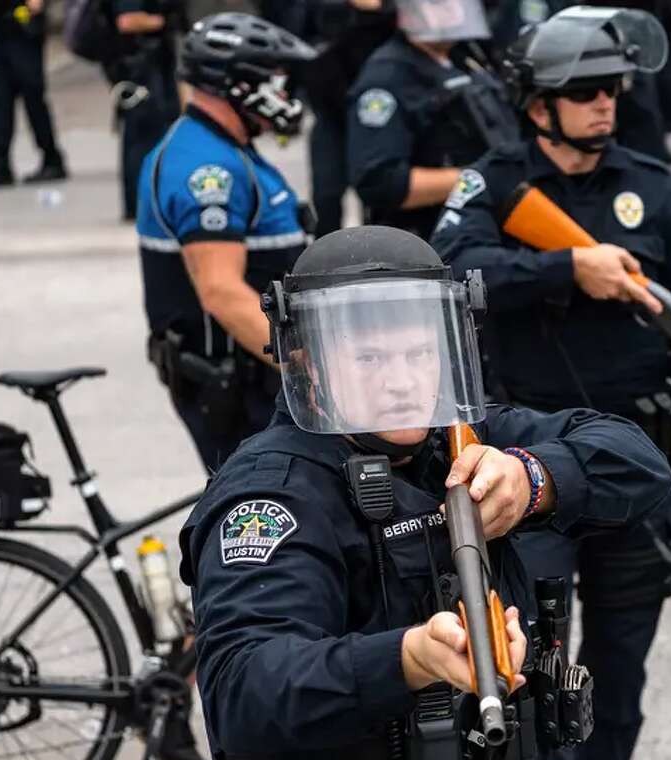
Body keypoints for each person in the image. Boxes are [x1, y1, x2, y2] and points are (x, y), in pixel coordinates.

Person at [179, 224, 671, 760]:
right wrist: (408, 657)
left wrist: (532, 478)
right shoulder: (273, 496)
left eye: (421, 353)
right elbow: (243, 688)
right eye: (369, 357)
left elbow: (639, 462)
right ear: (309, 364)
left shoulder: (461, 436)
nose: (401, 381)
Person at [431, 8, 671, 760]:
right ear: (538, 105)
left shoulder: (655, 188)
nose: (604, 104)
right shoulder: (494, 184)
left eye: (612, 89)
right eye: (583, 90)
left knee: (618, 679)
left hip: (637, 465)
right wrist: (565, 269)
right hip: (528, 473)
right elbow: (451, 276)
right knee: (537, 678)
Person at [137, 12, 314, 474]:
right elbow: (221, 291)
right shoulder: (206, 169)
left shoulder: (226, 147)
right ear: (239, 86)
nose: (286, 93)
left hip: (251, 377)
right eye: (277, 80)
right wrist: (312, 370)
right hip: (237, 388)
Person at [346, 0, 519, 240]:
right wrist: (480, 179)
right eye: (440, 3)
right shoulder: (388, 76)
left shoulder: (466, 57)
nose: (454, 9)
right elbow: (379, 182)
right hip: (429, 238)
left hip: (489, 227)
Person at [265, 0, 395, 236]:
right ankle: (324, 260)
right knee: (326, 195)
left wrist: (377, 9)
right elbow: (294, 39)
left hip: (378, 111)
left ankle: (379, 257)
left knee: (378, 195)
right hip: (329, 110)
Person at [0, 0, 66, 189]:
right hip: (1, 33)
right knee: (1, 102)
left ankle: (51, 158)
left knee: (34, 100)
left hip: (25, 31)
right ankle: (0, 163)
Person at [110, 0, 181, 220]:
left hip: (151, 62)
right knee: (143, 137)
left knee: (155, 134)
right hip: (139, 65)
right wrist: (164, 22)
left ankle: (149, 202)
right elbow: (128, 21)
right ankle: (141, 205)